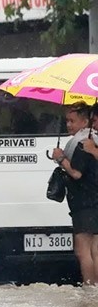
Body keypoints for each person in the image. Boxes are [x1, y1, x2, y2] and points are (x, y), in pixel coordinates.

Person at [52, 103, 98, 285]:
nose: (68, 125)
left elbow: (76, 173)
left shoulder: (82, 143)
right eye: (67, 121)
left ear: (85, 121)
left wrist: (60, 158)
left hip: (85, 204)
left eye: (72, 121)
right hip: (94, 201)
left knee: (83, 251)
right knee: (95, 250)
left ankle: (89, 288)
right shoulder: (93, 141)